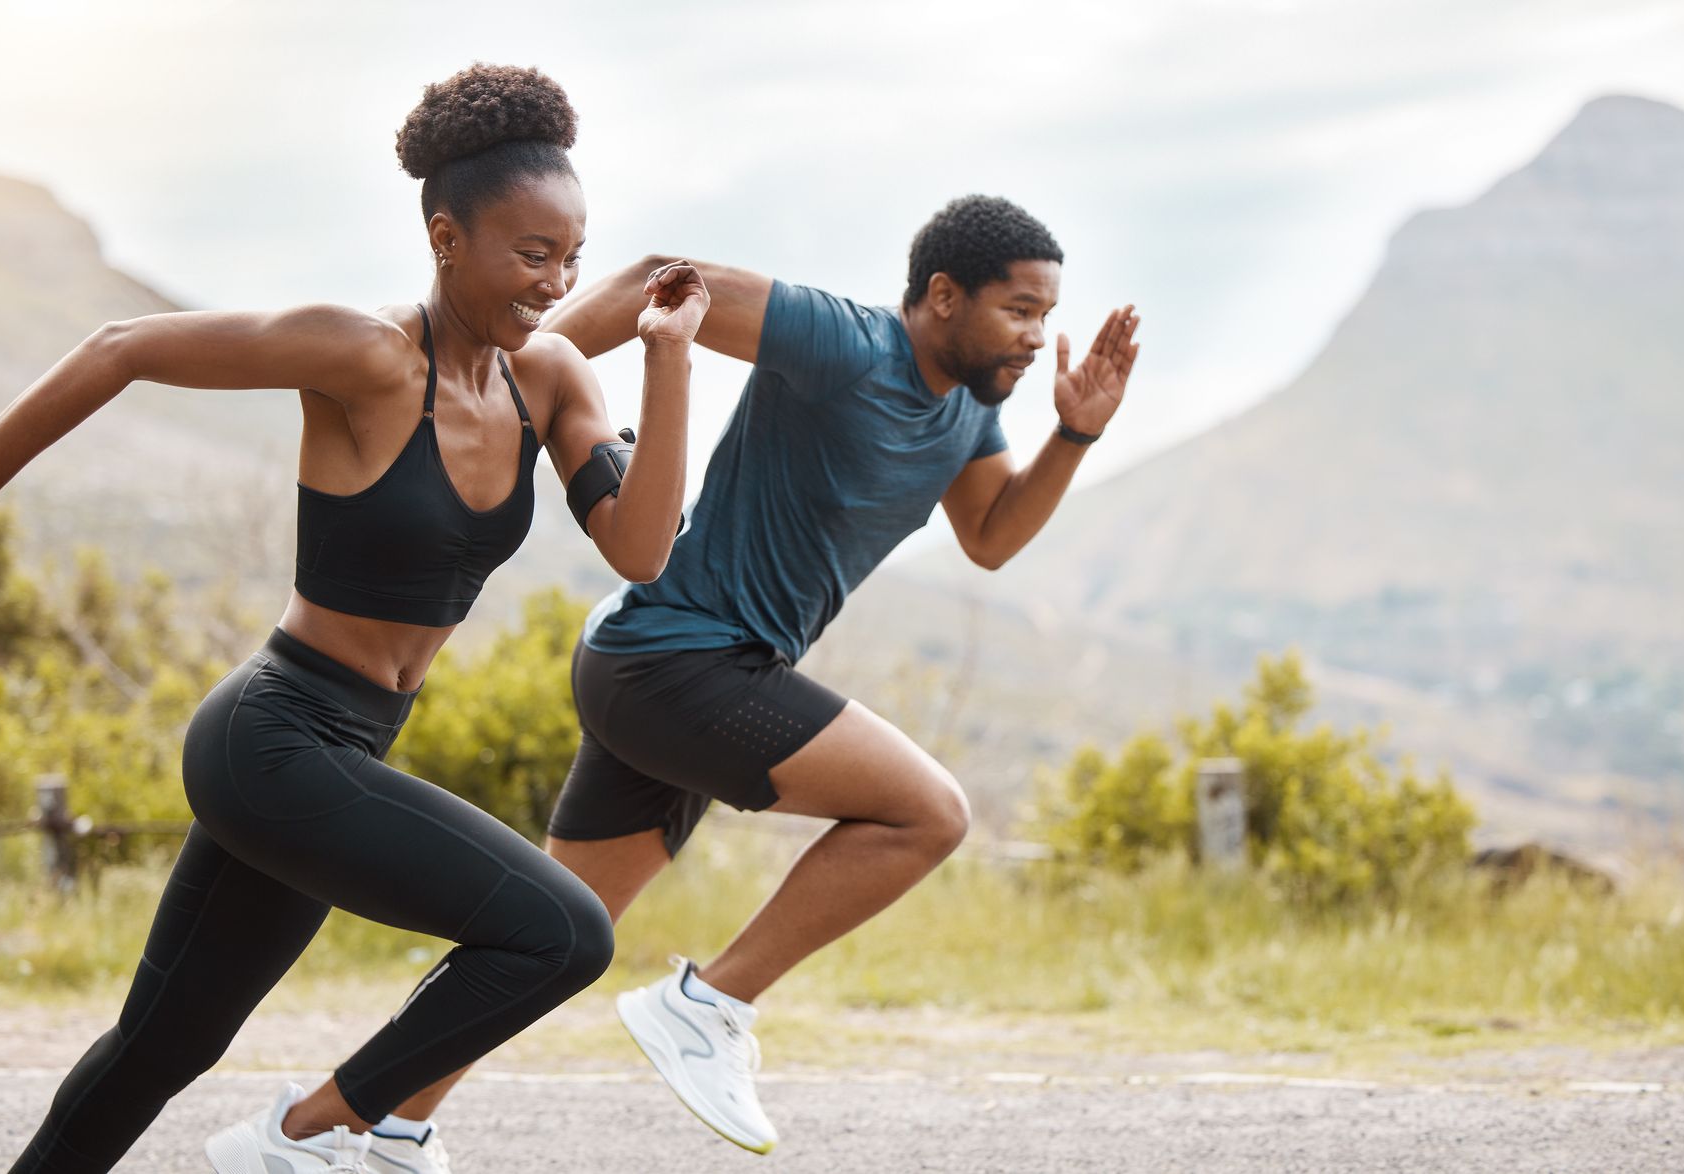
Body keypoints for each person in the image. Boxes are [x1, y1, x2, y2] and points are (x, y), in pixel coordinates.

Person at [0, 64, 709, 1174]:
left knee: (162, 1043)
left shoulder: (554, 378)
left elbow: (642, 546)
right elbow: (119, 346)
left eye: (572, 255)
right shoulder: (365, 355)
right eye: (531, 254)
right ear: (445, 238)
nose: (556, 280)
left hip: (345, 748)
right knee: (565, 933)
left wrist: (668, 363)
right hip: (274, 737)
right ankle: (309, 1134)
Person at [385, 194, 1142, 1155]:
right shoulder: (846, 343)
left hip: (669, 674)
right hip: (682, 664)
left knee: (546, 942)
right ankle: (709, 1006)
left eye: (1046, 313)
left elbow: (991, 537)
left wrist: (1073, 436)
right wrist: (497, 391)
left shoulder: (965, 419)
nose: (1039, 338)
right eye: (1020, 310)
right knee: (929, 814)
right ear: (943, 296)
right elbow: (662, 281)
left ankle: (364, 1125)